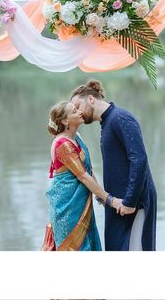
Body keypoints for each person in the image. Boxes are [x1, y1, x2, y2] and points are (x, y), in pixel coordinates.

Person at [70, 80, 157, 251]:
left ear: (91, 99)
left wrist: (130, 202)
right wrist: (105, 197)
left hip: (134, 205)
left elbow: (139, 160)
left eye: (78, 105)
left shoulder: (120, 118)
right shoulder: (107, 122)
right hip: (119, 204)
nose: (77, 112)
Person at [45, 100, 121, 251]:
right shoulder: (63, 145)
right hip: (68, 210)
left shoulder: (76, 136)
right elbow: (83, 176)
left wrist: (100, 197)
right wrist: (111, 200)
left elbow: (89, 170)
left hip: (82, 206)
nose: (79, 112)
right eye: (74, 111)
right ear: (65, 121)